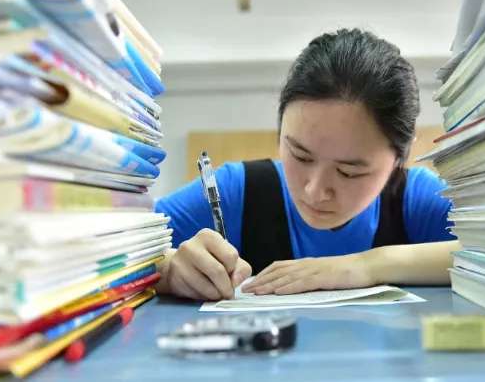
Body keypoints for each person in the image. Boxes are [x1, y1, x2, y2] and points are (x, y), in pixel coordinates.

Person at [154, 28, 459, 301]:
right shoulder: (235, 192)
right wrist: (166, 269)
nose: (315, 191)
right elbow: (125, 248)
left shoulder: (416, 200)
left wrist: (367, 265)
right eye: (300, 156)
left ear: (398, 158)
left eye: (348, 172)